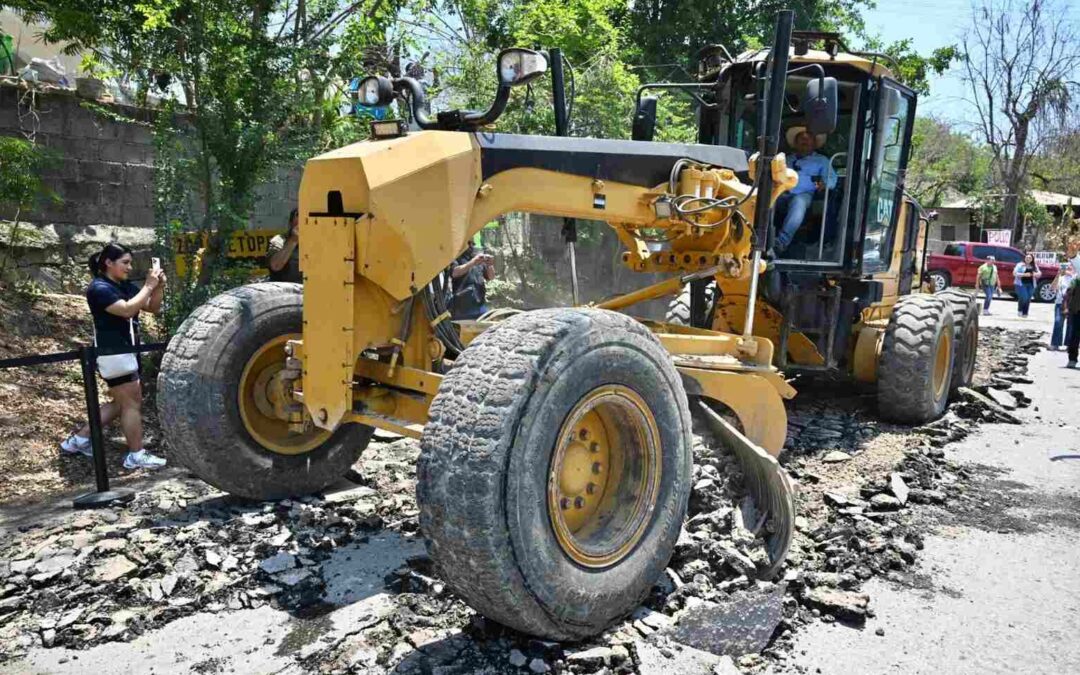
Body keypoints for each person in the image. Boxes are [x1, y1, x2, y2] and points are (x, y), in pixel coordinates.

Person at [60, 243, 167, 469]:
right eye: (125, 263)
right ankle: (136, 455)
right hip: (113, 353)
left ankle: (79, 440)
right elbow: (127, 309)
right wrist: (148, 285)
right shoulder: (99, 288)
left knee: (121, 403)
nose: (129, 267)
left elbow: (152, 308)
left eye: (130, 263)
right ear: (109, 263)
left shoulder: (123, 285)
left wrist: (158, 287)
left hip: (125, 352)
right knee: (131, 402)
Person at [774, 127, 837, 254]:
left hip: (804, 195)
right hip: (781, 193)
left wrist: (825, 184)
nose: (805, 141)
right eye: (801, 138)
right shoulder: (785, 159)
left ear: (814, 143)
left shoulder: (822, 160)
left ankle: (780, 243)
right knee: (763, 199)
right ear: (795, 143)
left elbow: (831, 178)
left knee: (799, 203)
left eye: (808, 139)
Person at [450, 240, 495, 320]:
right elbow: (454, 273)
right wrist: (472, 262)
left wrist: (489, 265)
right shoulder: (455, 257)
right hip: (462, 306)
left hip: (480, 304)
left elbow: (491, 277)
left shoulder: (479, 258)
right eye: (469, 244)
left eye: (473, 244)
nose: (471, 246)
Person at [267, 208, 302, 283]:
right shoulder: (278, 240)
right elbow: (275, 266)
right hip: (284, 287)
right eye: (298, 215)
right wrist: (293, 240)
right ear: (291, 223)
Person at [1050, 261, 1077, 350]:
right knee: (1058, 322)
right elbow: (1052, 288)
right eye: (1067, 266)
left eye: (1071, 266)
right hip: (1060, 303)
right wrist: (1057, 275)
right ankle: (1055, 344)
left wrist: (1072, 275)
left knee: (1071, 325)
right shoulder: (1061, 278)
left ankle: (1070, 345)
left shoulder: (1076, 278)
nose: (1068, 268)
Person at [1013, 252, 1041, 317]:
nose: (1028, 259)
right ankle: (1020, 310)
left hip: (1031, 284)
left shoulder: (1034, 265)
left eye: (1030, 258)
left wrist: (1035, 274)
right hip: (1021, 284)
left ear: (1032, 259)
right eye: (1027, 257)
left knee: (1028, 299)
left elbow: (1039, 273)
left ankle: (1025, 313)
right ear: (1024, 258)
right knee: (1024, 297)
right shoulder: (1020, 265)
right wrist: (1024, 274)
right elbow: (1014, 273)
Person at [1066, 273, 1080, 368]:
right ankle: (1072, 359)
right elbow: (1068, 292)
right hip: (1077, 311)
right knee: (1074, 336)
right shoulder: (1076, 278)